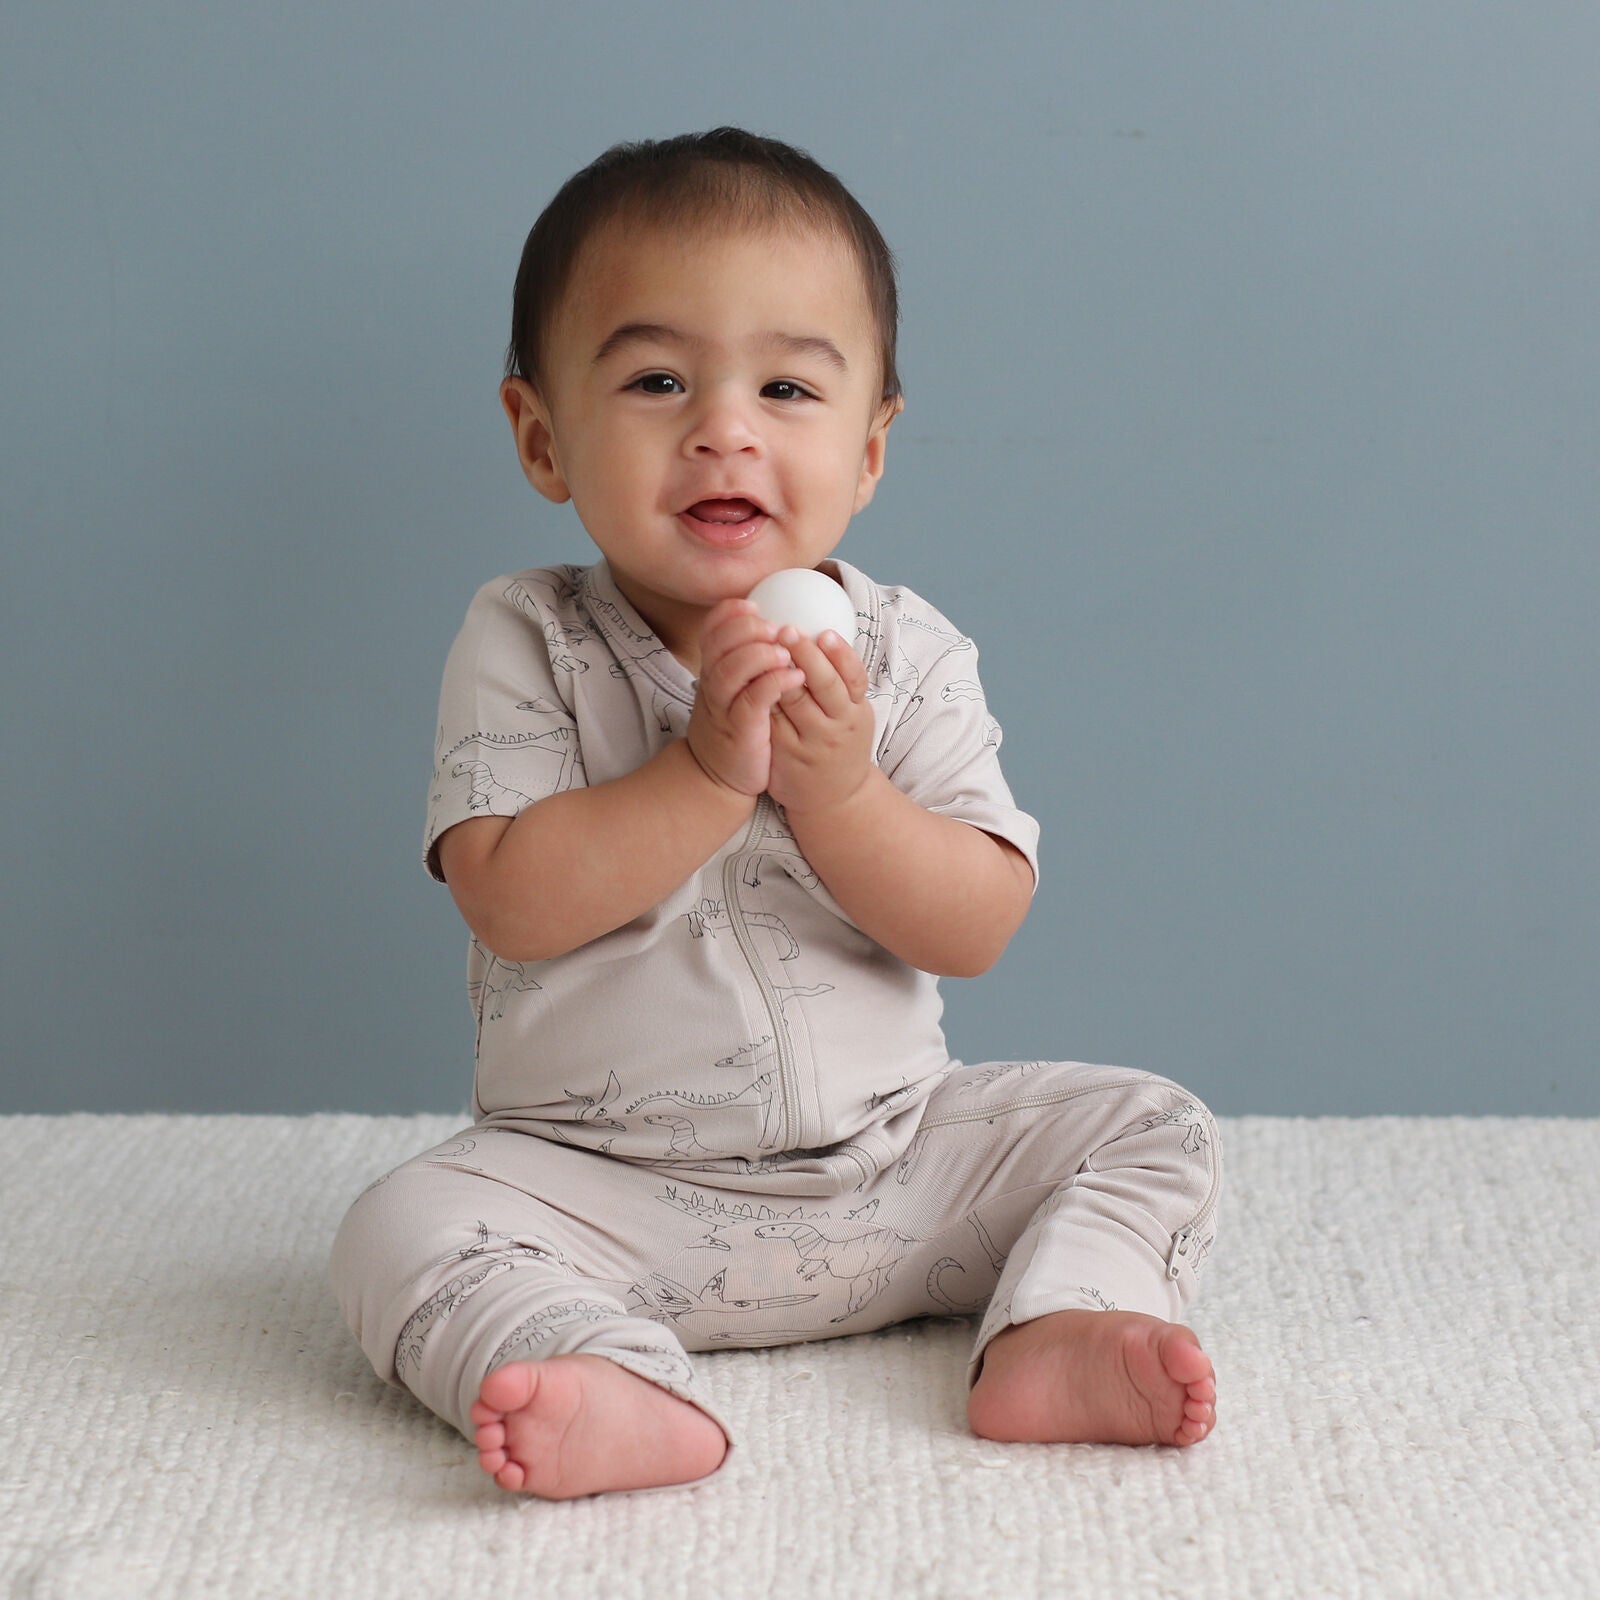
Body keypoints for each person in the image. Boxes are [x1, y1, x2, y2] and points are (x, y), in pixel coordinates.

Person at [330, 127, 1221, 1500]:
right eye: (658, 378)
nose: (724, 427)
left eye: (789, 386)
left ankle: (1055, 1329)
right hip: (598, 1191)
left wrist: (842, 791)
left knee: (1150, 1124)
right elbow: (511, 895)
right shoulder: (529, 638)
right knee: (398, 1224)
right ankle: (595, 1367)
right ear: (541, 435)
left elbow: (978, 922)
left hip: (890, 1177)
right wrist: (700, 772)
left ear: (869, 450)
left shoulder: (908, 652)